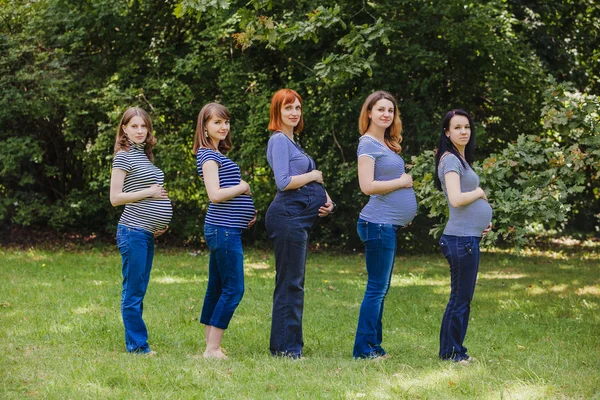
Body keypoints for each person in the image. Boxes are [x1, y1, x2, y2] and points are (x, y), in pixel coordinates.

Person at [265, 88, 336, 358]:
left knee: (295, 281)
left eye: (297, 108)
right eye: (288, 108)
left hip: (298, 218)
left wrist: (328, 202)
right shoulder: (279, 140)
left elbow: (311, 179)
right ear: (277, 112)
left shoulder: (294, 143)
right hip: (287, 217)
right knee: (290, 282)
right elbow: (284, 182)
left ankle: (291, 344)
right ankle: (284, 348)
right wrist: (315, 174)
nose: (294, 113)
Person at [353, 90, 418, 359]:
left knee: (381, 288)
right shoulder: (367, 144)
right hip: (377, 223)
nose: (386, 114)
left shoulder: (386, 145)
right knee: (376, 288)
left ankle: (374, 347)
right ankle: (364, 350)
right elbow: (367, 186)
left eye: (390, 110)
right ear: (369, 112)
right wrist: (403, 182)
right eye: (380, 109)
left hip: (386, 224)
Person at [193, 103, 257, 359]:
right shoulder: (208, 156)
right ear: (205, 127)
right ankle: (212, 349)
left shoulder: (216, 154)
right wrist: (243, 187)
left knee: (217, 287)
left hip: (227, 228)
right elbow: (215, 194)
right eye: (217, 122)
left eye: (226, 122)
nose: (223, 126)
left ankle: (211, 343)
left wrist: (245, 211)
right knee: (234, 288)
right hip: (223, 230)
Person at [110, 107, 172, 354]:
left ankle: (136, 342)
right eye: (134, 126)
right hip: (132, 230)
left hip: (146, 232)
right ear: (124, 129)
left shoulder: (144, 157)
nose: (139, 131)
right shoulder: (123, 156)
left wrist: (160, 221)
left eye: (143, 126)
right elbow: (115, 198)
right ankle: (137, 346)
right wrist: (150, 193)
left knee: (140, 288)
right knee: (133, 291)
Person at [434, 109, 492, 364]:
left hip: (468, 237)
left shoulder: (460, 158)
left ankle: (452, 351)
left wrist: (481, 221)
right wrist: (479, 192)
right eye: (457, 127)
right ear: (447, 132)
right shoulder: (450, 160)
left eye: (466, 126)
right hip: (460, 240)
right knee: (460, 299)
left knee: (462, 298)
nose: (463, 131)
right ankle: (453, 354)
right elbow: (456, 199)